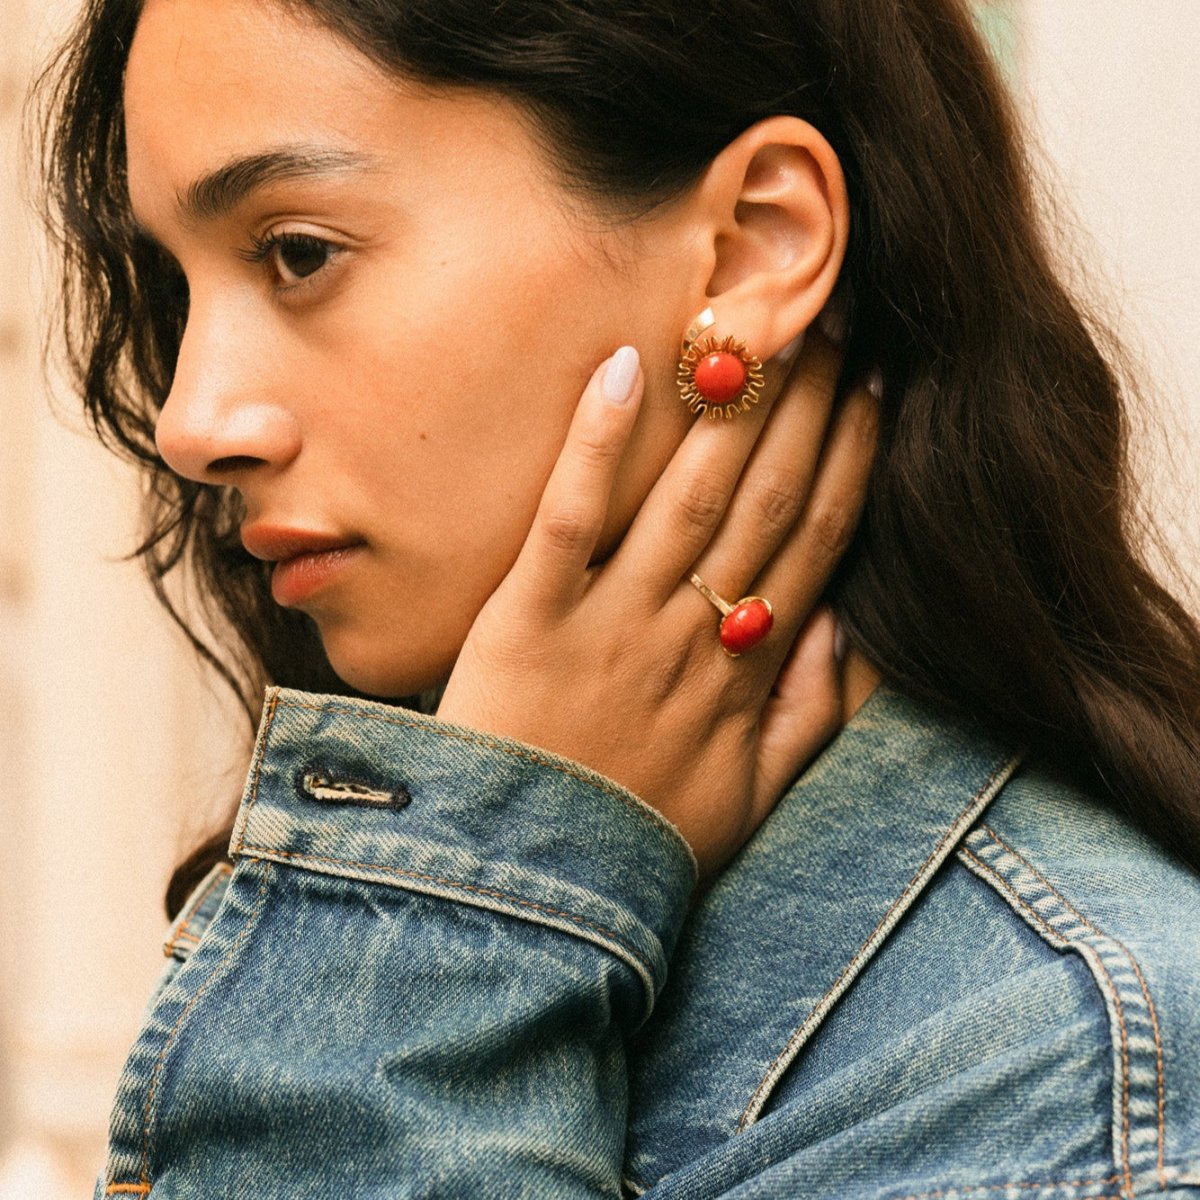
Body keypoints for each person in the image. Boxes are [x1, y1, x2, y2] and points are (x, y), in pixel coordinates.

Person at [35, 0, 1200, 1195]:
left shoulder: (1069, 1094)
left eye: (298, 253)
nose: (191, 423)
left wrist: (483, 882)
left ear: (754, 245)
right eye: (176, 288)